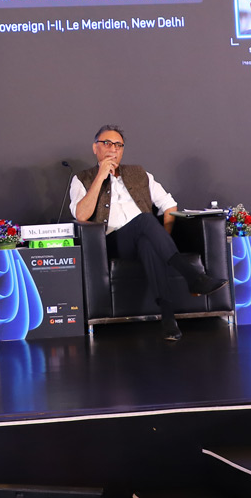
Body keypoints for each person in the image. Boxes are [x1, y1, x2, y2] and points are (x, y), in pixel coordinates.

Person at [70, 125, 227, 342]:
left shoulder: (139, 173)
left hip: (143, 237)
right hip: (111, 242)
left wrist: (162, 239)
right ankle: (193, 276)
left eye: (118, 145)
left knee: (147, 242)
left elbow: (169, 205)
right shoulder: (82, 178)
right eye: (107, 143)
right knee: (145, 219)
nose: (113, 149)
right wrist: (100, 177)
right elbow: (81, 215)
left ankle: (168, 318)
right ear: (95, 148)